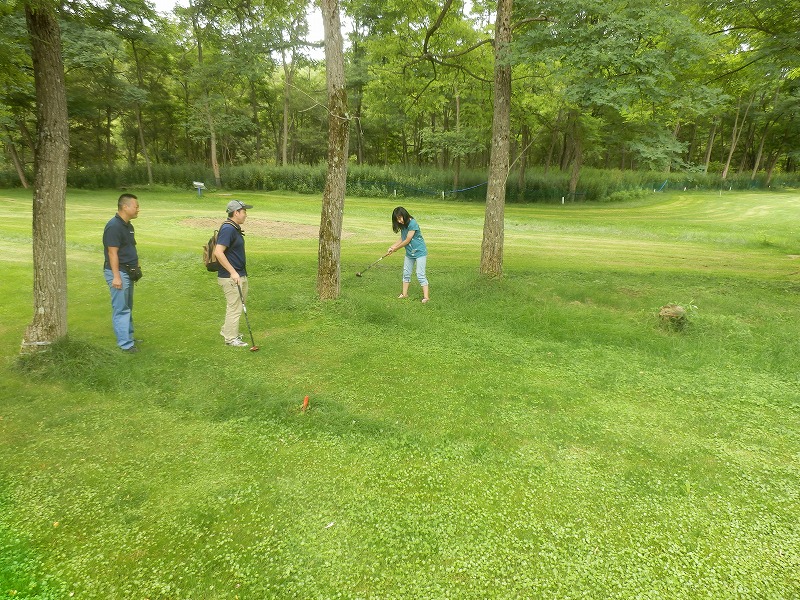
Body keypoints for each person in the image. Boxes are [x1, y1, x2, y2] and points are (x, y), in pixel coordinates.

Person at [103, 193, 141, 353]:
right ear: (125, 207)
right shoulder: (114, 226)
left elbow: (130, 247)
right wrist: (116, 276)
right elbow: (112, 253)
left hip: (128, 271)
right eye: (136, 206)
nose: (138, 209)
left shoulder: (128, 225)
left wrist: (136, 265)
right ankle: (125, 344)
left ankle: (129, 337)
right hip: (119, 273)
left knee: (128, 306)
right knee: (121, 308)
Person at [214, 199, 254, 347]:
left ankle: (227, 331)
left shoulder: (233, 228)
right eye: (244, 212)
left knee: (234, 305)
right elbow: (218, 252)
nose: (246, 215)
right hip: (231, 277)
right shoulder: (228, 229)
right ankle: (231, 339)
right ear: (236, 212)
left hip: (238, 274)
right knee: (235, 307)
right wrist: (233, 272)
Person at [387, 206, 430, 303]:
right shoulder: (403, 225)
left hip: (420, 252)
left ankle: (426, 297)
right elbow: (402, 238)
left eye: (400, 218)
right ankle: (404, 294)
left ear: (404, 215)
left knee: (420, 274)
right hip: (410, 253)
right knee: (406, 273)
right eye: (397, 219)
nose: (399, 221)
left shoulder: (412, 223)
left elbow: (407, 240)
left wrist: (396, 249)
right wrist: (392, 247)